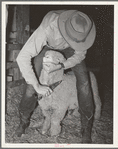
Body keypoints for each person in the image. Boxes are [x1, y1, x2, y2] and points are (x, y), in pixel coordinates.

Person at [16, 10, 96, 143]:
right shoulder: (48, 27)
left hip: (71, 50)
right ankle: (23, 121)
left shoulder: (85, 30)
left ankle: (86, 128)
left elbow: (79, 55)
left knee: (84, 83)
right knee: (31, 85)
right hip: (47, 46)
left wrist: (63, 65)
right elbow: (23, 56)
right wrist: (37, 85)